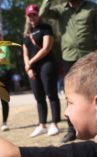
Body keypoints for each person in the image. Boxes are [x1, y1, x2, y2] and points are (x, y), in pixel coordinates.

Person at [40, 0, 97, 143]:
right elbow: (42, 14)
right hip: (68, 57)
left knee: (94, 91)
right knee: (70, 94)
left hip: (89, 55)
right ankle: (72, 130)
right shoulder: (60, 10)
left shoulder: (92, 7)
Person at [23, 4, 60, 137]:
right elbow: (25, 54)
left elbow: (46, 48)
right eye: (30, 15)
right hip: (33, 69)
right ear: (27, 17)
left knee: (51, 94)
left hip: (46, 64)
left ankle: (55, 124)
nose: (32, 17)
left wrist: (31, 63)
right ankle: (42, 125)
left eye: (34, 14)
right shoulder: (27, 34)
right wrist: (28, 68)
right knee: (39, 98)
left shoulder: (46, 28)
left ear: (39, 15)